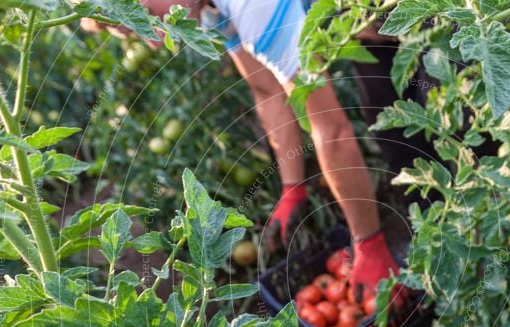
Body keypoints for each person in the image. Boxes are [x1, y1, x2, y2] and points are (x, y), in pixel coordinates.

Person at [85, 0, 399, 299]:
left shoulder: (251, 9)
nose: (154, 42)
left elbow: (332, 130)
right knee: (393, 123)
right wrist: (292, 187)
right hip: (374, 20)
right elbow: (267, 90)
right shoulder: (210, 10)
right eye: (135, 31)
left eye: (146, 17)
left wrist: (368, 243)